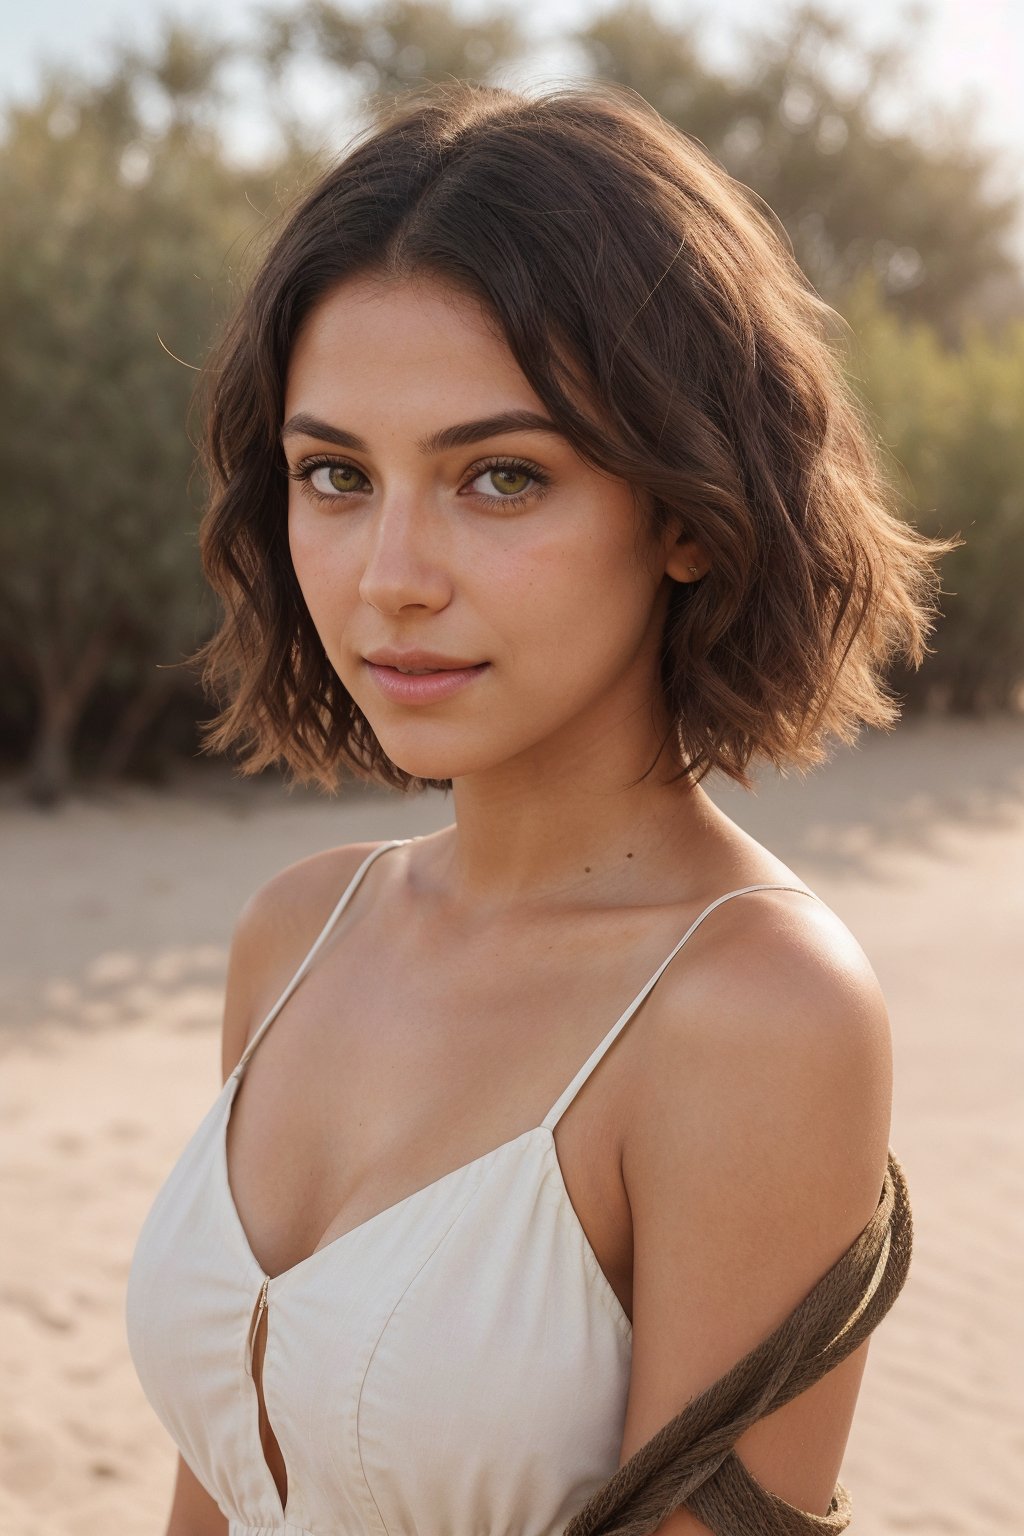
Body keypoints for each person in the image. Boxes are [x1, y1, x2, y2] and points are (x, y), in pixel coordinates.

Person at [126, 81, 942, 1536]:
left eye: (500, 478)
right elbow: (223, 1494)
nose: (390, 574)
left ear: (687, 511)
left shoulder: (758, 1013)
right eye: (335, 475)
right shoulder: (297, 935)